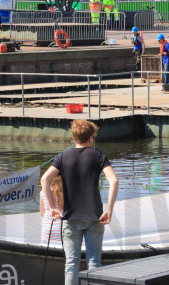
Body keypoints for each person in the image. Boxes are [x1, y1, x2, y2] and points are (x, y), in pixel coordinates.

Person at [41, 120, 119, 285]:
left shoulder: (62, 157)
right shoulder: (99, 156)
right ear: (91, 138)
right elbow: (114, 181)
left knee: (71, 265)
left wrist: (52, 207)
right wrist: (109, 210)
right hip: (95, 217)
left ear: (74, 137)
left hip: (71, 218)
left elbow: (45, 179)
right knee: (94, 262)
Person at [39, 176, 64, 245]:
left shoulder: (43, 192)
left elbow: (42, 212)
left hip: (47, 230)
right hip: (63, 229)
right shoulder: (66, 192)